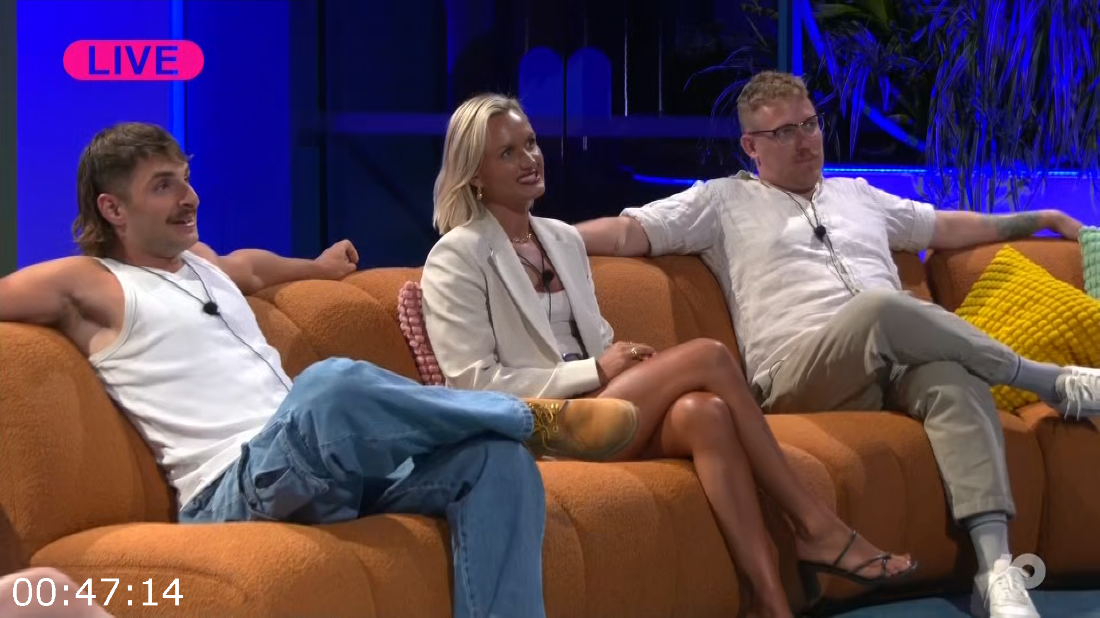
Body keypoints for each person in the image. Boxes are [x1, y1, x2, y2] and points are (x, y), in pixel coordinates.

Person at [0, 122, 642, 618]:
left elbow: (252, 267)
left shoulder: (203, 265)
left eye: (185, 178)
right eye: (162, 185)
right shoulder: (90, 282)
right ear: (113, 209)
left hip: (316, 469)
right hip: (235, 488)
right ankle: (530, 417)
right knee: (330, 384)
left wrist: (319, 268)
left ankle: (514, 434)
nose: (188, 197)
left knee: (495, 464)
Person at [577, 70, 1100, 618]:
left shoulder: (858, 194)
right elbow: (628, 232)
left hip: (887, 369)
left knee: (952, 379)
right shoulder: (721, 201)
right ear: (751, 146)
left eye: (810, 124)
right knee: (882, 308)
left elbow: (943, 228)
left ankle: (995, 572)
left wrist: (1041, 218)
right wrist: (541, 235)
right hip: (796, 374)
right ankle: (1049, 381)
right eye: (784, 133)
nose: (805, 141)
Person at [419, 94, 918, 618]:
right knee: (710, 356)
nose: (530, 159)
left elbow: (593, 336)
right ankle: (815, 526)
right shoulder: (457, 255)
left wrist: (622, 362)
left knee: (707, 413)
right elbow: (473, 385)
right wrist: (593, 370)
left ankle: (770, 603)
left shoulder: (561, 239)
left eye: (531, 143)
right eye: (508, 153)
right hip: (542, 428)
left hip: (601, 406)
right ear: (474, 174)